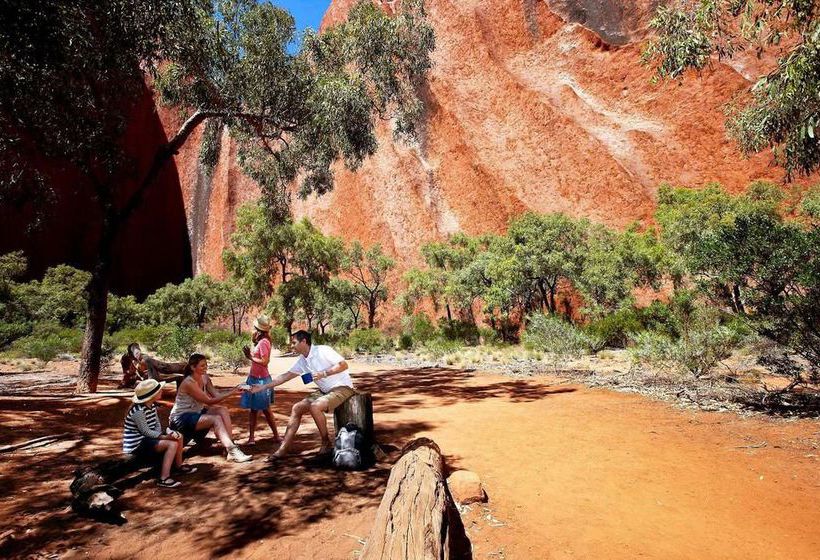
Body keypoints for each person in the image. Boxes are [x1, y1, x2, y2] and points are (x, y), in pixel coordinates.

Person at [251, 330, 354, 461]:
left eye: (294, 343)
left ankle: (325, 442)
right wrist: (263, 387)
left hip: (342, 387)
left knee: (315, 407)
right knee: (297, 408)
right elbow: (285, 376)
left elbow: (343, 365)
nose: (291, 346)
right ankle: (283, 449)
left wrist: (324, 374)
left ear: (304, 341)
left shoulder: (323, 351)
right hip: (325, 390)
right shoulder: (302, 361)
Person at [169, 353, 252, 463]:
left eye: (206, 365)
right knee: (215, 419)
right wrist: (234, 391)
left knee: (222, 410)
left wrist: (236, 389)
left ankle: (229, 448)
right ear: (193, 367)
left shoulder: (205, 378)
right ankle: (232, 450)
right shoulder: (189, 382)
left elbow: (216, 395)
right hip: (180, 419)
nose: (205, 368)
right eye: (202, 366)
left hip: (195, 413)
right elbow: (208, 401)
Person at [122, 378, 197, 488]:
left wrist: (164, 435)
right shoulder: (138, 412)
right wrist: (164, 437)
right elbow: (145, 431)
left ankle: (178, 466)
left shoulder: (151, 406)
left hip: (148, 439)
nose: (162, 391)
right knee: (172, 444)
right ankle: (164, 478)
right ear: (152, 395)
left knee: (179, 437)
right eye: (159, 390)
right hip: (137, 444)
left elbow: (157, 424)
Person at [239, 316, 280, 446]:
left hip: (261, 380)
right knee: (254, 409)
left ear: (258, 329)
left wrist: (250, 357)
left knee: (265, 409)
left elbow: (265, 361)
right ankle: (252, 438)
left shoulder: (263, 342)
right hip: (254, 378)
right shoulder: (260, 341)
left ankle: (276, 436)